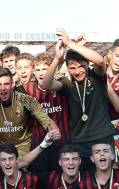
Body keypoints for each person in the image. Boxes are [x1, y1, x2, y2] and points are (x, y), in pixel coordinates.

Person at [40, 31, 115, 170]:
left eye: (81, 66)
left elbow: (99, 60)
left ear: (88, 65)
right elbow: (45, 85)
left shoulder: (96, 76)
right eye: (72, 68)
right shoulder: (67, 83)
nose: (77, 71)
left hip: (102, 138)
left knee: (106, 177)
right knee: (84, 182)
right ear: (67, 68)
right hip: (79, 142)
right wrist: (57, 59)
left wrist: (69, 43)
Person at [0, 68, 57, 159]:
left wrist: (54, 131)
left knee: (16, 164)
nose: (3, 88)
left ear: (12, 84)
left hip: (22, 144)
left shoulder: (25, 99)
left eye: (6, 84)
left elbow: (44, 118)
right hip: (2, 146)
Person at [21, 52, 71, 174]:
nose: (41, 73)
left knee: (61, 184)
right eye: (37, 69)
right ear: (33, 72)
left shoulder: (62, 85)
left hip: (62, 145)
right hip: (39, 147)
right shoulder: (26, 89)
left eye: (45, 69)